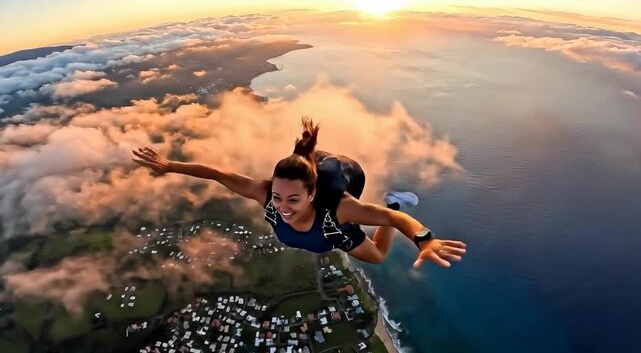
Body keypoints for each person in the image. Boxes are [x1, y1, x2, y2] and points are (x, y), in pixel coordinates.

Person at [132, 118, 466, 268]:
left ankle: (394, 193)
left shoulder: (338, 210)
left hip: (337, 219)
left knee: (378, 256)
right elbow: (218, 174)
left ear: (312, 194)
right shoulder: (265, 194)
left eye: (293, 199)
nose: (283, 207)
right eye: (278, 197)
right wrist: (168, 165)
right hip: (318, 226)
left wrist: (424, 239)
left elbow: (392, 218)